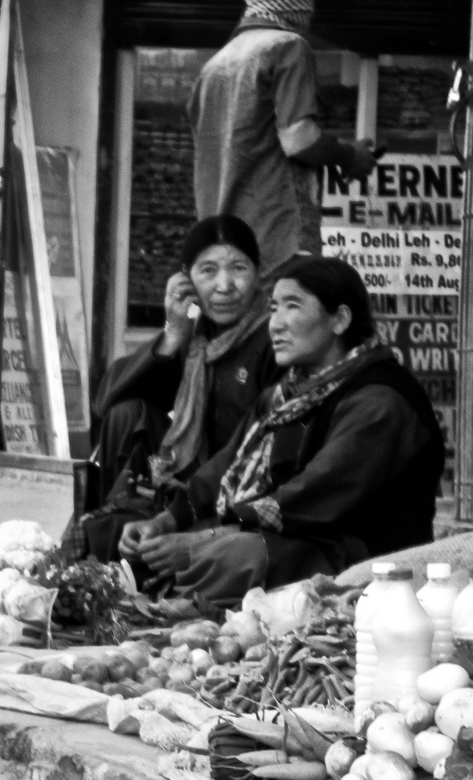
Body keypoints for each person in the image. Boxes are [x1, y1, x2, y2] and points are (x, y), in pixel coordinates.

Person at [118, 256, 444, 604]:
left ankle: (174, 602)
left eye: (292, 306)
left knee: (237, 556)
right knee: (141, 540)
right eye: (273, 308)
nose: (275, 324)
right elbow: (220, 471)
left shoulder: (381, 402)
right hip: (292, 537)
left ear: (340, 319)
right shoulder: (285, 395)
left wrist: (202, 540)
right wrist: (167, 522)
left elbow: (312, 496)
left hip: (359, 556)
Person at [83, 215, 279, 558]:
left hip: (235, 484)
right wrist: (173, 333)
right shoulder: (197, 340)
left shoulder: (273, 338)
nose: (224, 285)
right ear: (186, 280)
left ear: (259, 273)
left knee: (115, 537)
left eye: (238, 268)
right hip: (184, 476)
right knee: (127, 414)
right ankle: (116, 521)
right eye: (208, 271)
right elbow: (107, 403)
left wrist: (184, 504)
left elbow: (259, 450)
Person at [189, 0, 377, 279]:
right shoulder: (287, 46)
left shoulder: (214, 66)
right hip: (276, 235)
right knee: (284, 314)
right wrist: (350, 157)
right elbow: (300, 139)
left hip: (221, 240)